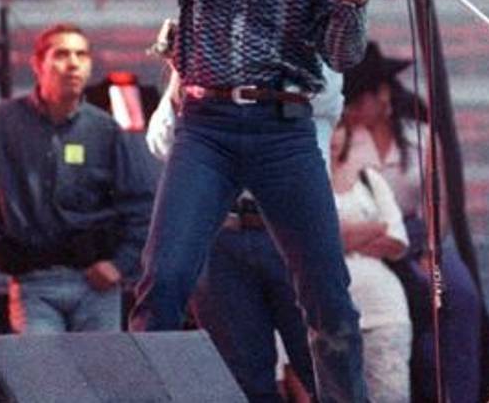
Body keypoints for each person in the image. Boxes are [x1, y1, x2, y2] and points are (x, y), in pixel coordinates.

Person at [123, 0, 377, 402]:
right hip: (205, 126)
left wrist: (354, 1)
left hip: (283, 128)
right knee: (164, 279)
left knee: (328, 294)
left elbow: (341, 54)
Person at [0, 23, 156, 333]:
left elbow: (141, 207)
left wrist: (122, 264)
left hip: (96, 284)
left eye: (81, 55)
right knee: (41, 363)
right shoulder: (1, 124)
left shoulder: (106, 130)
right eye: (61, 54)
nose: (73, 64)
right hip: (34, 285)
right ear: (38, 64)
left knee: (100, 364)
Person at [144, 56, 346, 402]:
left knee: (325, 371)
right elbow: (162, 142)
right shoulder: (206, 67)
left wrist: (224, 84)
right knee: (243, 381)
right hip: (225, 233)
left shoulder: (305, 48)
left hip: (288, 232)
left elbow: (315, 97)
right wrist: (185, 78)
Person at [331, 42, 484, 403]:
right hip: (371, 241)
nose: (352, 111)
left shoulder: (420, 136)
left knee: (457, 294)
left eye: (359, 101)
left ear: (381, 94)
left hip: (420, 239)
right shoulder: (345, 142)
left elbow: (437, 203)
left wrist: (431, 248)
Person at [330, 162, 411, 402]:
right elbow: (315, 242)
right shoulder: (301, 178)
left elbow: (396, 240)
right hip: (329, 314)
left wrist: (345, 237)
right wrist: (373, 230)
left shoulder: (368, 179)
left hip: (383, 310)